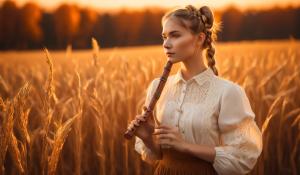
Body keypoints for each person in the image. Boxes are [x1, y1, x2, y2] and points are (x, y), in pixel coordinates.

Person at [128, 4, 262, 175]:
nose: (166, 44)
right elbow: (158, 155)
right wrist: (148, 139)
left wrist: (185, 146)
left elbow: (243, 156)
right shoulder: (157, 87)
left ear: (199, 38)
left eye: (175, 35)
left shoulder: (228, 93)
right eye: (164, 37)